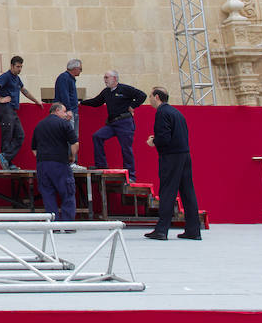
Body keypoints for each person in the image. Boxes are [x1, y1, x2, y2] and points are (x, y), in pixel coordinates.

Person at [144, 86, 202, 241]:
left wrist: (153, 141)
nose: (149, 99)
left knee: (167, 192)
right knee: (188, 192)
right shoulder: (176, 113)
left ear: (157, 97)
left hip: (171, 157)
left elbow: (164, 138)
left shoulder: (162, 113)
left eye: (150, 96)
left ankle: (162, 230)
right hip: (184, 155)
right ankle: (193, 230)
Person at [80, 70, 146, 181]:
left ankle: (131, 176)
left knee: (126, 149)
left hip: (124, 122)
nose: (105, 80)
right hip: (112, 123)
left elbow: (142, 95)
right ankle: (101, 165)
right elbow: (97, 101)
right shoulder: (106, 92)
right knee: (97, 136)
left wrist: (133, 106)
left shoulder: (125, 89)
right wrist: (82, 102)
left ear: (115, 78)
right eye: (104, 77)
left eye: (107, 77)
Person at [0, 56, 42, 170]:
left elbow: (24, 91)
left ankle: (6, 158)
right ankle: (7, 162)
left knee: (20, 135)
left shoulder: (17, 79)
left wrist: (36, 101)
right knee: (7, 136)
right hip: (5, 109)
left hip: (12, 110)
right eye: (18, 67)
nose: (19, 69)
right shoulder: (7, 76)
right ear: (12, 66)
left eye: (21, 67)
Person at [31, 102, 78, 224]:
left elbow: (34, 149)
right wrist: (72, 157)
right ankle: (68, 225)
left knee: (48, 195)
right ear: (57, 110)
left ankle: (54, 225)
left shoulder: (39, 125)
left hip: (42, 165)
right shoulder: (64, 124)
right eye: (64, 111)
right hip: (60, 163)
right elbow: (75, 143)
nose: (66, 114)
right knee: (67, 193)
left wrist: (42, 158)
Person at [54, 58, 85, 171]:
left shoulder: (68, 78)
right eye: (80, 69)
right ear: (75, 68)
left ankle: (71, 162)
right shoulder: (65, 78)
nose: (81, 71)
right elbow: (64, 94)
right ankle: (70, 162)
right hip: (69, 113)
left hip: (71, 112)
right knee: (71, 138)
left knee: (72, 138)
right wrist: (69, 110)